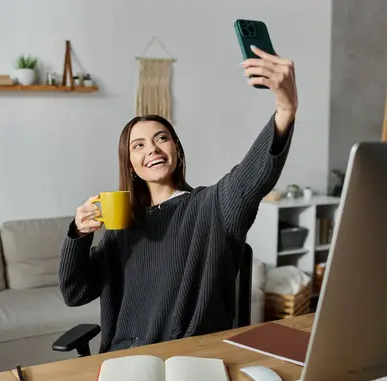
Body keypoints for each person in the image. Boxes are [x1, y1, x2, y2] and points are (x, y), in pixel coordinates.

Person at [59, 45, 298, 354]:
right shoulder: (122, 227)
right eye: (138, 145)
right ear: (130, 164)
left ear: (177, 150)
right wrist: (78, 234)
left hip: (189, 358)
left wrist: (285, 109)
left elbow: (251, 177)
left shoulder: (211, 206)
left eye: (161, 138)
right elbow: (75, 293)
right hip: (124, 358)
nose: (152, 150)